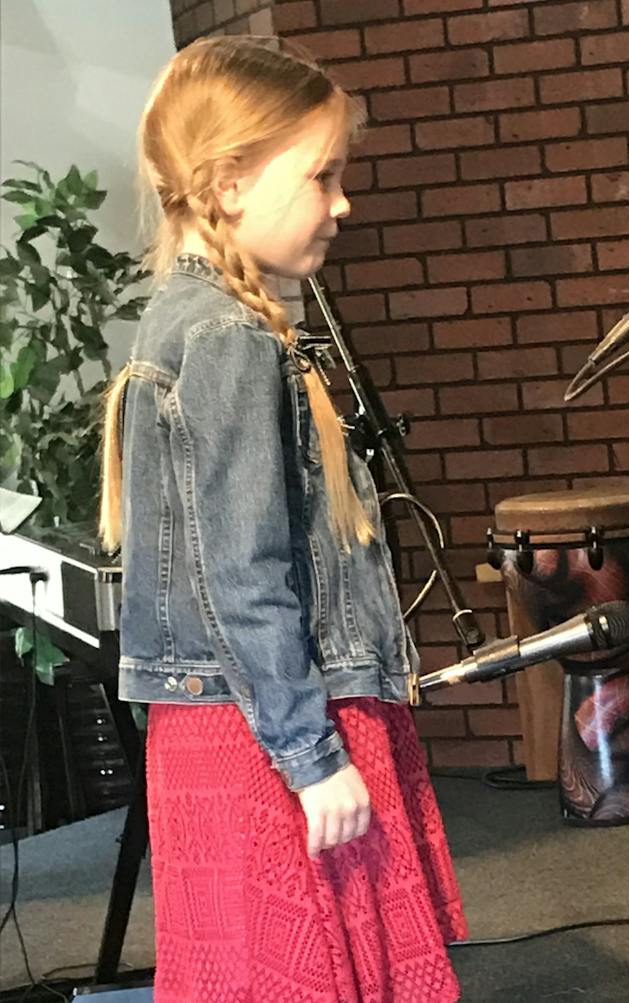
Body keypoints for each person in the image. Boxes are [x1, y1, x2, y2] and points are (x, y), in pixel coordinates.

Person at [98, 36, 466, 1003]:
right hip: (269, 726)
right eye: (323, 175)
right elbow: (243, 571)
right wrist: (313, 759)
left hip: (223, 717)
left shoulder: (184, 319)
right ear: (227, 183)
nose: (342, 203)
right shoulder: (227, 335)